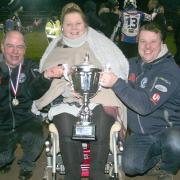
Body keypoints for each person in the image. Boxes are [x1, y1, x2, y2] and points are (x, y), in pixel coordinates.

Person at [32, 2, 129, 180]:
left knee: (101, 123)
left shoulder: (99, 43)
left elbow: (117, 68)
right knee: (65, 123)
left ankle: (97, 173)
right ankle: (72, 175)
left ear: (85, 24)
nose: (74, 28)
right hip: (66, 100)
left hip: (100, 95)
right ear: (62, 27)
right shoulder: (56, 48)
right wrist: (65, 88)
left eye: (78, 23)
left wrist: (99, 81)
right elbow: (47, 79)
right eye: (69, 24)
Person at [100, 22, 180, 180]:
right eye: (143, 41)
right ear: (137, 41)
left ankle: (167, 169)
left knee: (176, 142)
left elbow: (144, 106)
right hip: (142, 134)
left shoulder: (170, 70)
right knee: (130, 166)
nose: (147, 47)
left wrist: (116, 82)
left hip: (168, 131)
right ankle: (157, 156)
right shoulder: (131, 64)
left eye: (153, 42)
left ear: (162, 43)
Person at [0, 30, 63, 180]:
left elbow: (34, 92)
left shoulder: (30, 67)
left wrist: (46, 76)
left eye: (20, 47)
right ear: (2, 47)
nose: (15, 51)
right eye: (10, 46)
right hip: (2, 123)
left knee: (36, 139)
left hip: (26, 119)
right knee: (3, 158)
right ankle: (7, 158)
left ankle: (27, 165)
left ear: (25, 49)